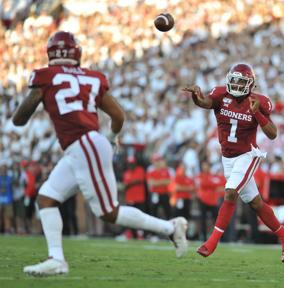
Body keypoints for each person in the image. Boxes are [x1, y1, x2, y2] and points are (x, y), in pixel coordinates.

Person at [12, 31, 188, 276]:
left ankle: (171, 228)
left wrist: (38, 95)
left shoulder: (45, 76)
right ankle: (56, 259)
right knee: (47, 198)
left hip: (83, 144)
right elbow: (118, 116)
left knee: (109, 213)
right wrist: (112, 138)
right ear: (77, 52)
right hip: (85, 146)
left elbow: (19, 120)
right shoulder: (92, 77)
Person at [183, 63, 284, 262]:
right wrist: (195, 96)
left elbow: (272, 134)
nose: (236, 84)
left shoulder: (259, 101)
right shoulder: (220, 94)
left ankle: (212, 242)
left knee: (230, 192)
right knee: (256, 203)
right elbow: (205, 102)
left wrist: (257, 113)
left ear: (250, 84)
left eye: (241, 81)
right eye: (233, 80)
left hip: (247, 155)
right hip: (227, 158)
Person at [196, 161, 220, 241]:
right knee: (203, 219)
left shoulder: (213, 176)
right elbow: (202, 184)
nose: (204, 167)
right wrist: (211, 185)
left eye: (206, 165)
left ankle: (216, 236)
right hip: (203, 200)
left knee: (216, 219)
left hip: (213, 201)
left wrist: (209, 184)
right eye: (203, 165)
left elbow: (219, 184)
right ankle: (204, 237)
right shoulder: (200, 176)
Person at [147, 154, 173, 219]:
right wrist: (163, 181)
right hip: (155, 194)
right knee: (153, 212)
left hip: (165, 194)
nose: (157, 163)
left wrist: (157, 182)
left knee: (168, 212)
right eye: (156, 161)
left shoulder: (166, 170)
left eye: (158, 161)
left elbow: (170, 181)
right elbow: (152, 183)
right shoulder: (151, 171)